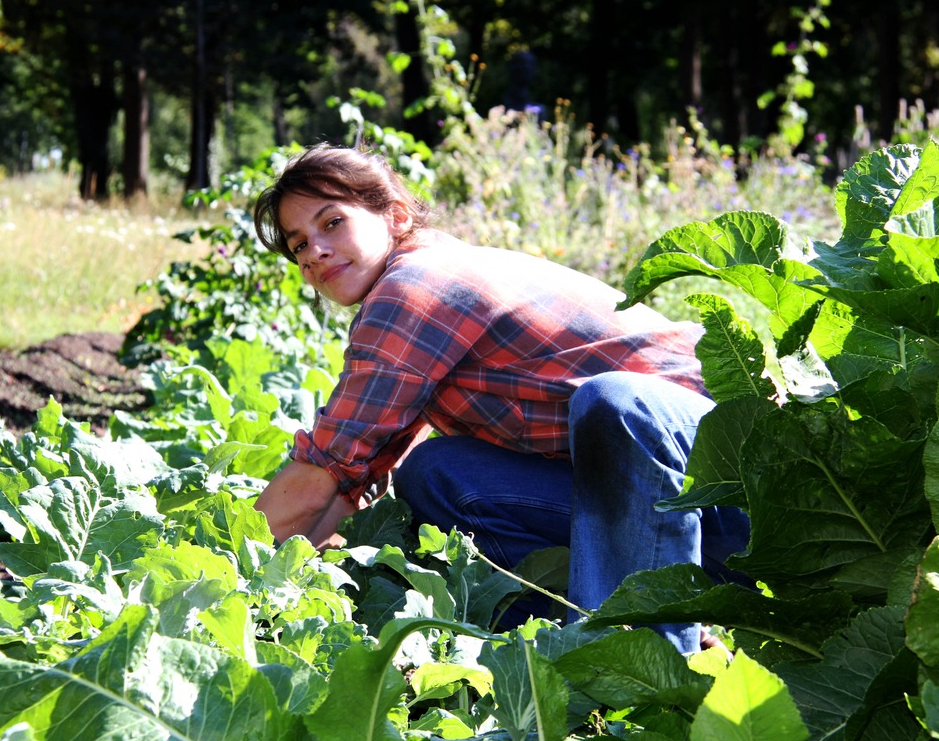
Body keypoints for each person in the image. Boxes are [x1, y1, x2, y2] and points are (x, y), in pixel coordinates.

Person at [251, 143, 749, 654]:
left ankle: (655, 659)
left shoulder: (418, 286)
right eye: (298, 245)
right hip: (669, 514)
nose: (314, 252)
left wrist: (225, 563)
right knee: (435, 473)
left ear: (395, 216)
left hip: (746, 489)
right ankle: (572, 646)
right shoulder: (412, 290)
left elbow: (319, 474)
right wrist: (294, 576)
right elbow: (349, 476)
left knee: (615, 402)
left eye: (331, 223)